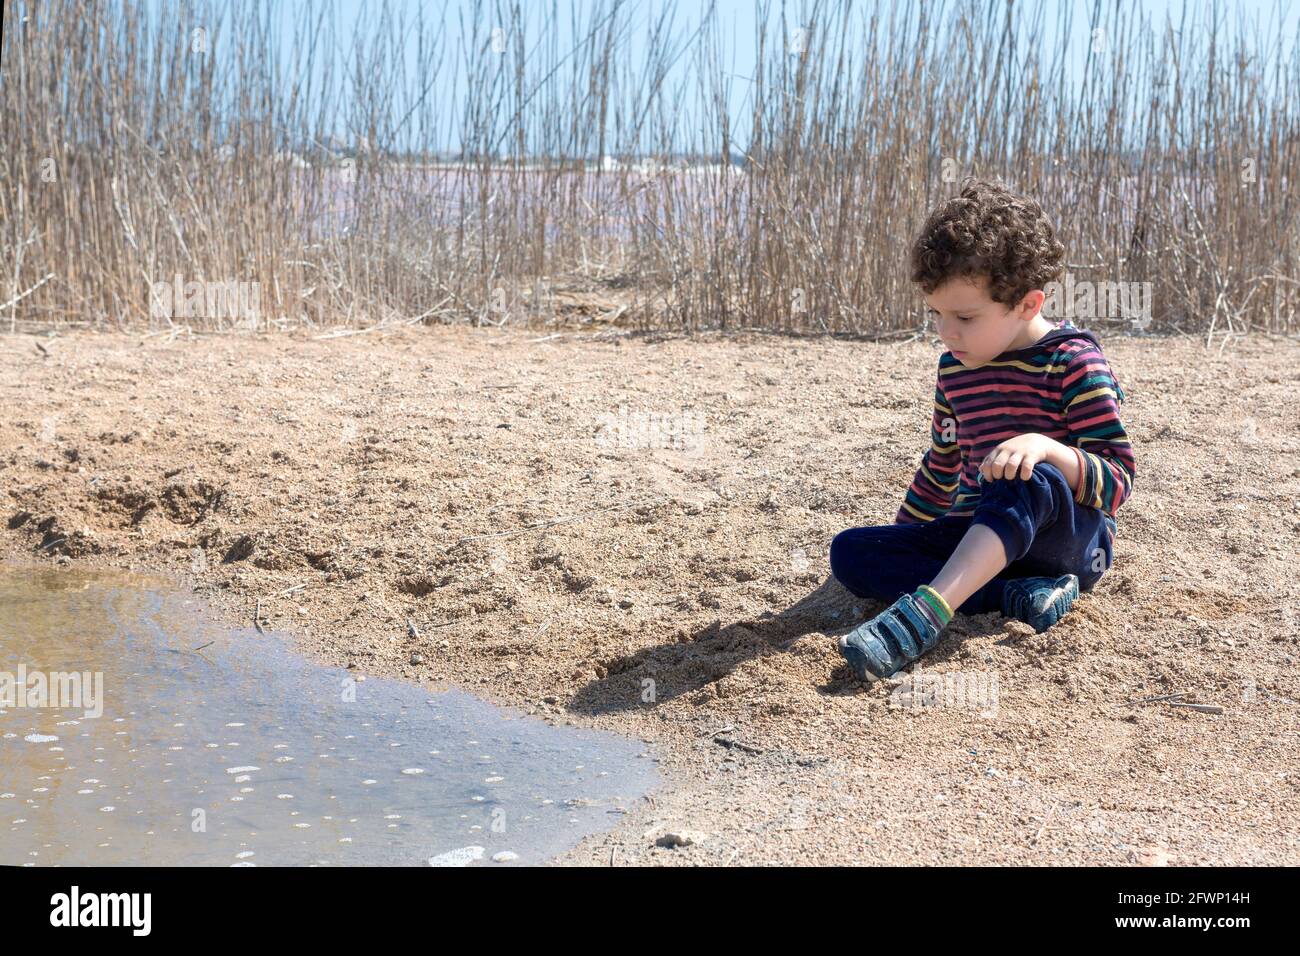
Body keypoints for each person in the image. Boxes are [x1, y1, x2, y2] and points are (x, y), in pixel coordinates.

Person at [830, 179, 1135, 683]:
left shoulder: (1073, 363)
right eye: (937, 314)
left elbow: (1118, 480)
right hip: (979, 541)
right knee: (853, 553)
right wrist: (908, 538)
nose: (947, 333)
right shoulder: (955, 369)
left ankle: (927, 612)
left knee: (1020, 476)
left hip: (1065, 539)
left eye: (965, 317)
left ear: (1027, 304)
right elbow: (943, 464)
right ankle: (1016, 595)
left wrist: (1047, 449)